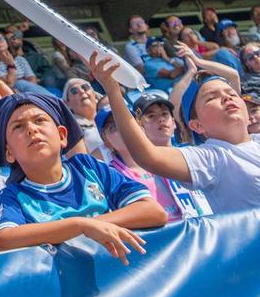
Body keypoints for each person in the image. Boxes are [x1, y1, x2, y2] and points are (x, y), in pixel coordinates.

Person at [0, 93, 166, 261]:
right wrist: (80, 226)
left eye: (40, 120)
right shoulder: (13, 195)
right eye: (18, 126)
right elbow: (4, 239)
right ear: (9, 153)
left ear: (62, 135)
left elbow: (153, 211)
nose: (31, 129)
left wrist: (92, 225)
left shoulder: (88, 167)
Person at [88, 52, 260, 215]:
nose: (227, 98)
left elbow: (233, 76)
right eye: (211, 98)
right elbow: (148, 156)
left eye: (231, 94)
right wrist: (113, 91)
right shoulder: (211, 158)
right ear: (197, 125)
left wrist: (198, 62)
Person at [94, 107, 200, 223]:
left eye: (127, 122)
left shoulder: (167, 157)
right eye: (113, 127)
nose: (122, 128)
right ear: (106, 141)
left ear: (141, 127)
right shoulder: (109, 176)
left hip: (192, 228)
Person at [62, 78, 105, 158]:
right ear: (67, 104)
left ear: (95, 95)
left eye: (85, 87)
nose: (82, 91)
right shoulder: (70, 128)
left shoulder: (110, 114)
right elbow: (81, 162)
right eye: (74, 91)